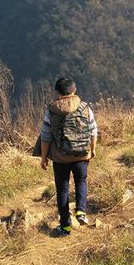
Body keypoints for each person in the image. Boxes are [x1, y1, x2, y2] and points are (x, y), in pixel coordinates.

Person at [39, 77, 98, 236]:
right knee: (81, 181)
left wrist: (43, 158)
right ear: (74, 90)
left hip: (60, 158)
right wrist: (92, 150)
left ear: (57, 92)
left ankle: (65, 226)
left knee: (63, 189)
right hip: (81, 156)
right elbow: (93, 130)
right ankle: (81, 212)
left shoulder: (51, 110)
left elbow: (45, 137)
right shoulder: (85, 107)